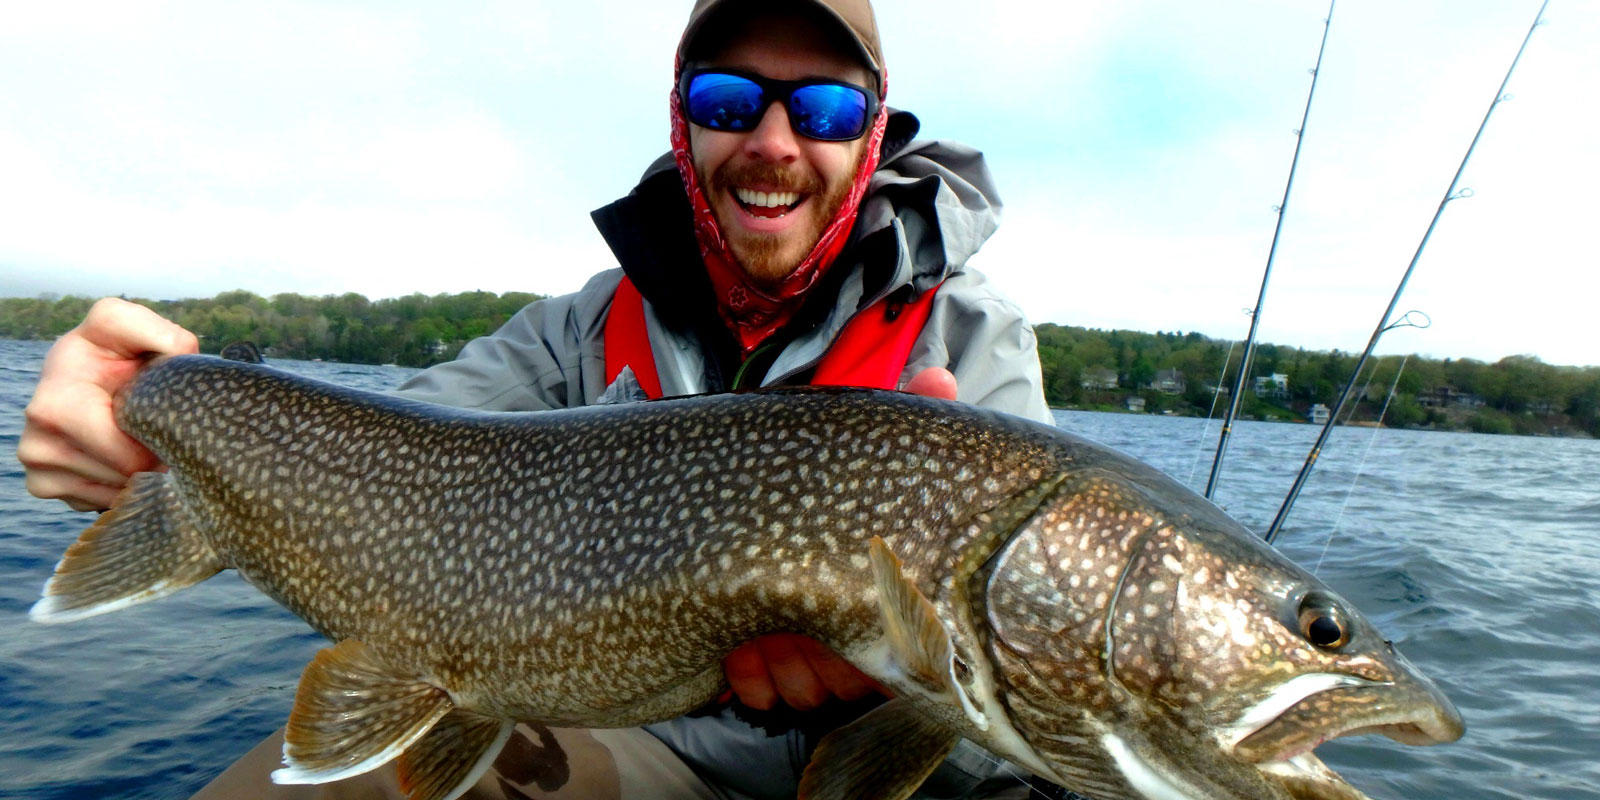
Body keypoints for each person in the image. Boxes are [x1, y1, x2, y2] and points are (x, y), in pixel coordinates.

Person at [19, 1, 1053, 797]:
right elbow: (368, 455)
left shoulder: (969, 345)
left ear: (872, 131)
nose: (774, 142)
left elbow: (1030, 723)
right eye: (727, 103)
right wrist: (159, 401)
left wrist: (886, 704)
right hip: (627, 753)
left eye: (821, 108)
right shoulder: (577, 330)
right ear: (682, 122)